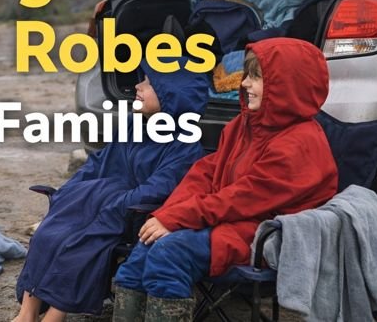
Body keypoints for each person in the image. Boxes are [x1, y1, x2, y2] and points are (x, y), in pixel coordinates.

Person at [112, 38, 338, 321]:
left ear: (287, 85)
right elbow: (204, 174)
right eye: (248, 75)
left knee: (169, 254)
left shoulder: (300, 143)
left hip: (268, 233)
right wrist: (168, 215)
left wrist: (179, 219)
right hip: (231, 220)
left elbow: (244, 196)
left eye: (256, 78)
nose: (243, 84)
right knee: (139, 256)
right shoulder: (243, 126)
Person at [14, 58, 210, 321]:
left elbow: (157, 190)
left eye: (149, 84)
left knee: (81, 242)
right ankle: (27, 313)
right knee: (49, 232)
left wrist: (107, 204)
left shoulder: (184, 147)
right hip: (99, 202)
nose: (138, 86)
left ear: (171, 95)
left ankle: (56, 314)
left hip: (133, 214)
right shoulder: (134, 124)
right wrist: (68, 193)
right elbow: (97, 164)